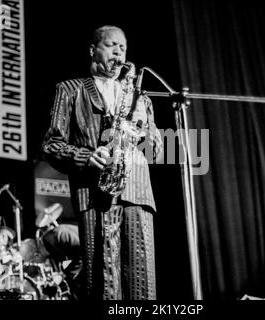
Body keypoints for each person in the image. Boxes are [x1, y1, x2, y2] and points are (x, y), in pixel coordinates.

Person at [42, 25, 163, 300]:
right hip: (95, 194)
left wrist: (145, 131)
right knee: (103, 284)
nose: (119, 51)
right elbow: (51, 145)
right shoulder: (70, 90)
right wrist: (87, 156)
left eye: (123, 47)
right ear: (93, 50)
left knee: (143, 286)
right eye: (112, 45)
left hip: (137, 192)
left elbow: (155, 152)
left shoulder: (139, 98)